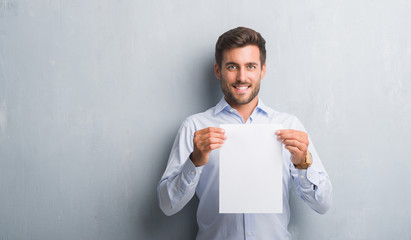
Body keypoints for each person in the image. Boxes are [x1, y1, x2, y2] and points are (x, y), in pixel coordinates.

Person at [157, 27, 332, 240]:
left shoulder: (289, 126)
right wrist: (195, 161)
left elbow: (323, 204)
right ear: (218, 70)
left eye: (250, 66)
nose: (242, 77)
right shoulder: (195, 127)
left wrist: (303, 162)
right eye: (232, 66)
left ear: (262, 70)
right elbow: (167, 206)